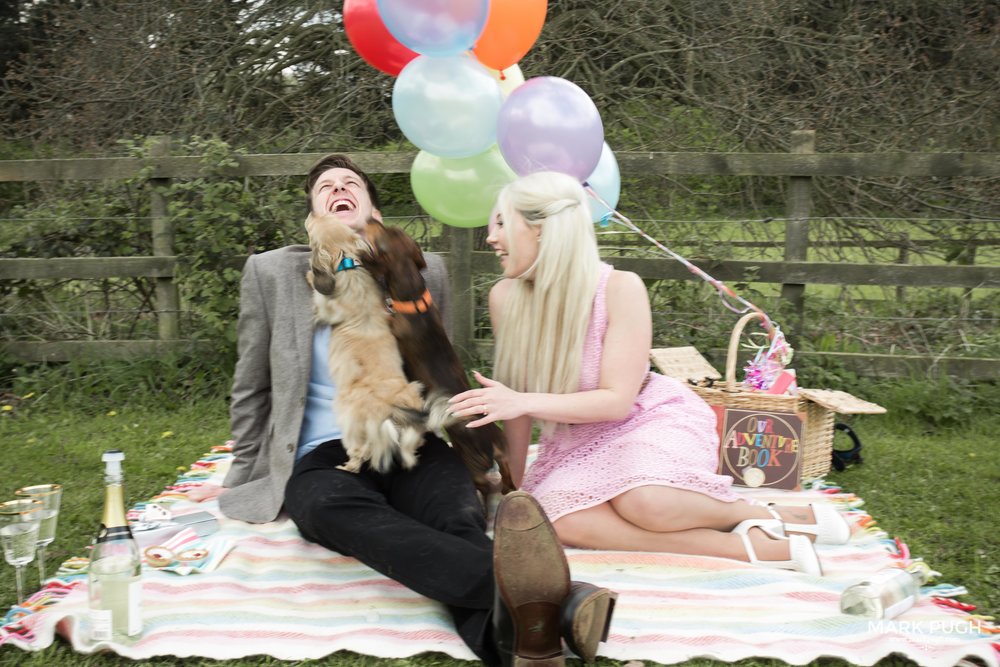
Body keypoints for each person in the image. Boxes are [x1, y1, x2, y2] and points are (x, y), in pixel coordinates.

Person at [186, 155, 615, 666]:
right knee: (326, 508)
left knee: (455, 522)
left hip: (412, 441)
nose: (339, 188)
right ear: (312, 210)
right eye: (327, 186)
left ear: (372, 206)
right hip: (325, 456)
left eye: (352, 183)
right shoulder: (273, 272)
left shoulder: (422, 269)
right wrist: (245, 472)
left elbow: (439, 366)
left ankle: (528, 651)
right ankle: (556, 602)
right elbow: (251, 385)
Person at [449, 171, 851, 576]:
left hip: (645, 418)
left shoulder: (620, 289)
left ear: (541, 230)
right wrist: (513, 494)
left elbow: (615, 400)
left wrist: (522, 400)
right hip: (577, 440)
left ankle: (763, 514)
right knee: (559, 517)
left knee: (645, 502)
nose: (490, 237)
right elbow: (513, 409)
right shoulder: (505, 297)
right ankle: (753, 548)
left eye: (501, 223)